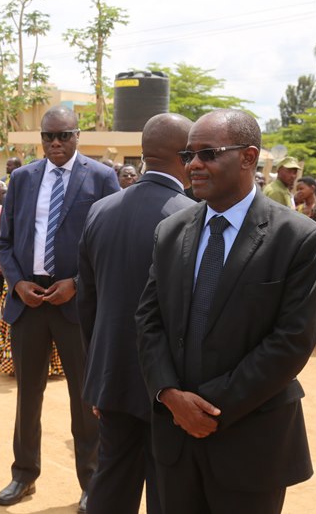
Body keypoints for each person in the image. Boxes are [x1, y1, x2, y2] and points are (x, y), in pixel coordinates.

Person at [136, 109, 316, 514]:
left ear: (248, 157)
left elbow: (291, 342)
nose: (193, 164)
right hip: (176, 437)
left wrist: (206, 408)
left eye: (207, 153)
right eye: (188, 155)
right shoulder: (170, 231)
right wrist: (169, 395)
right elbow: (149, 320)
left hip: (251, 443)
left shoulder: (298, 238)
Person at [0, 105, 119, 511]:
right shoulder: (22, 178)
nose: (55, 143)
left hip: (76, 303)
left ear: (77, 135)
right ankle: (23, 474)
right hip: (29, 301)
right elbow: (5, 242)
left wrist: (78, 285)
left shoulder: (101, 178)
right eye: (48, 136)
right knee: (27, 395)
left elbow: (109, 244)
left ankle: (91, 482)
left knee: (84, 398)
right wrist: (18, 283)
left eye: (63, 135)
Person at [78, 113, 195, 514]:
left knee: (111, 484)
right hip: (169, 386)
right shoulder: (191, 216)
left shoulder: (100, 210)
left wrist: (98, 375)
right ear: (185, 156)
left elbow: (87, 302)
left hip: (111, 376)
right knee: (167, 489)